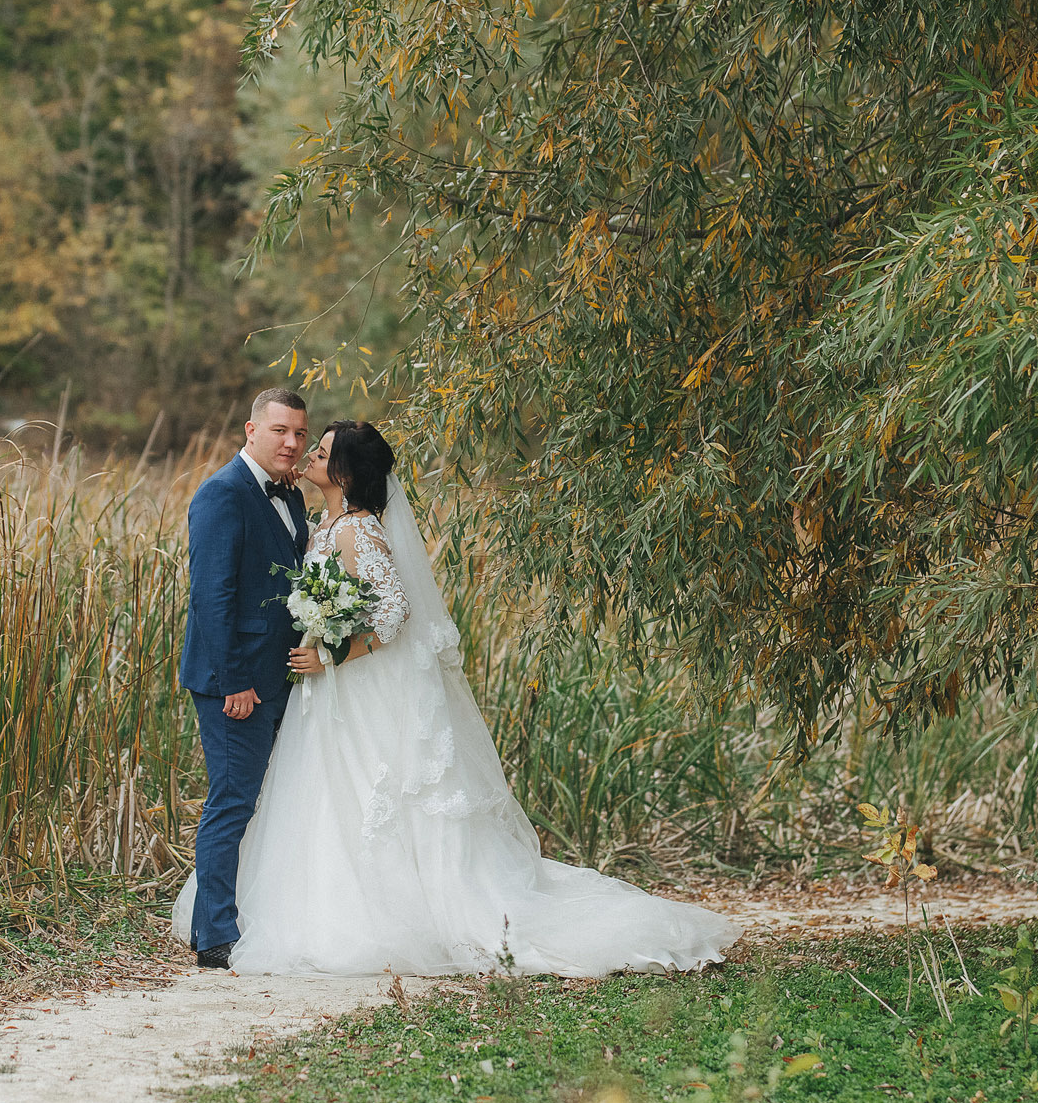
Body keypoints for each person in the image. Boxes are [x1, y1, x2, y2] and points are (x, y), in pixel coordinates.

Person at [174, 419, 740, 976]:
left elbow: (394, 611)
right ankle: (262, 916)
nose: (306, 455)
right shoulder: (321, 522)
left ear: (343, 472)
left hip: (349, 684)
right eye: (301, 443)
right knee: (322, 794)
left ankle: (386, 918)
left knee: (369, 793)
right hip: (322, 697)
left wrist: (331, 655)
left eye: (319, 450)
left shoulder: (358, 529)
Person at [178, 387, 312, 968]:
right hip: (235, 684)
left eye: (300, 434)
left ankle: (253, 915)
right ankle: (213, 938)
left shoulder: (295, 498)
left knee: (268, 801)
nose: (291, 442)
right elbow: (212, 597)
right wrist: (234, 680)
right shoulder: (222, 494)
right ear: (252, 430)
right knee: (232, 801)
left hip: (281, 676)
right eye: (280, 430)